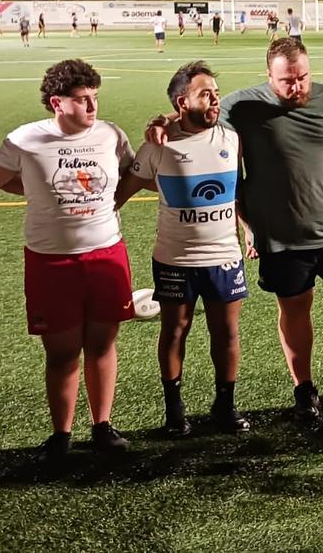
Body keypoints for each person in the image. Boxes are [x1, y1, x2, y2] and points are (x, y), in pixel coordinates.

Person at [147, 38, 323, 422]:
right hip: (280, 237)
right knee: (295, 310)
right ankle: (304, 390)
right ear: (269, 76)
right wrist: (163, 120)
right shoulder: (241, 107)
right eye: (286, 81)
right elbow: (196, 114)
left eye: (303, 77)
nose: (297, 87)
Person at [0, 59, 135, 460]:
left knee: (103, 344)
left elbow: (135, 173)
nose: (92, 108)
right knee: (61, 352)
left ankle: (102, 426)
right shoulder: (24, 140)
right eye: (82, 100)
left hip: (107, 252)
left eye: (95, 98)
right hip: (50, 261)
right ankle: (62, 434)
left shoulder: (110, 135)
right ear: (57, 103)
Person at [116, 61, 251, 435]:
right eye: (205, 94)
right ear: (181, 102)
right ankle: (175, 412)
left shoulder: (230, 139)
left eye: (216, 93)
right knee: (175, 330)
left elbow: (235, 191)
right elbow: (119, 195)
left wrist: (248, 228)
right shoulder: (158, 145)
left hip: (224, 256)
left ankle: (224, 406)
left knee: (226, 333)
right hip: (175, 258)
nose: (214, 101)